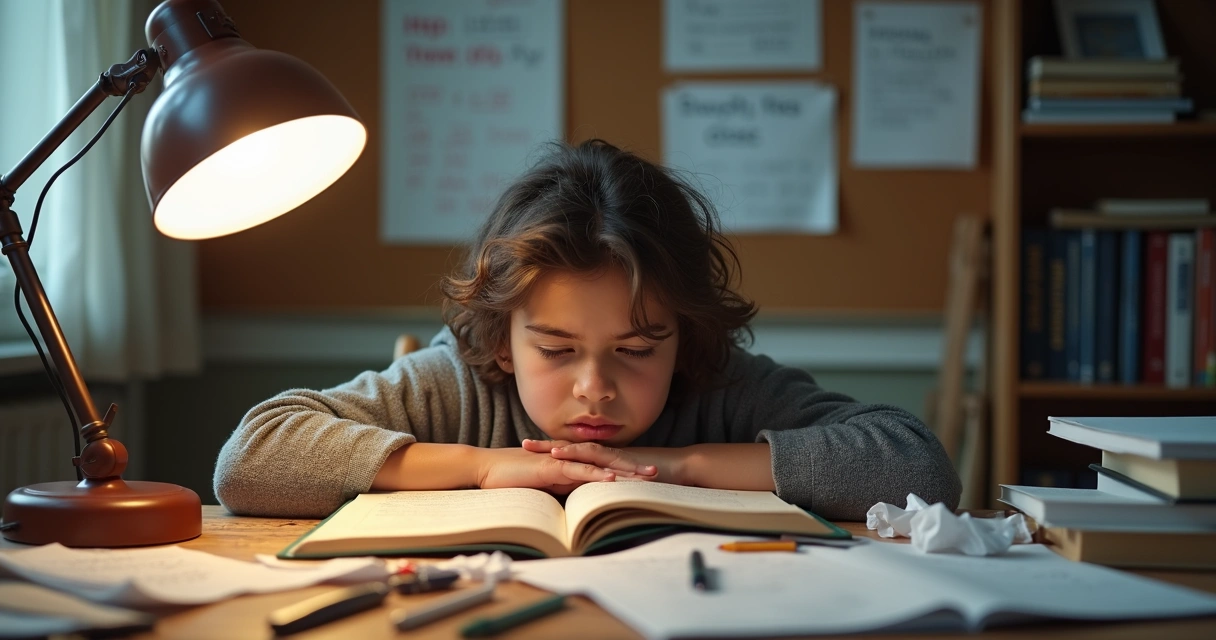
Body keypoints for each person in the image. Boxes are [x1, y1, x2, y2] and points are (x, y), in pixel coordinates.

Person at [214, 139, 961, 520]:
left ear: (682, 336)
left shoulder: (721, 386)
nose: (595, 388)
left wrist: (680, 466)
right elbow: (249, 458)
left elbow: (919, 468)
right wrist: (482, 467)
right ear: (502, 338)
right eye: (556, 349)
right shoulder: (455, 385)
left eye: (636, 349)